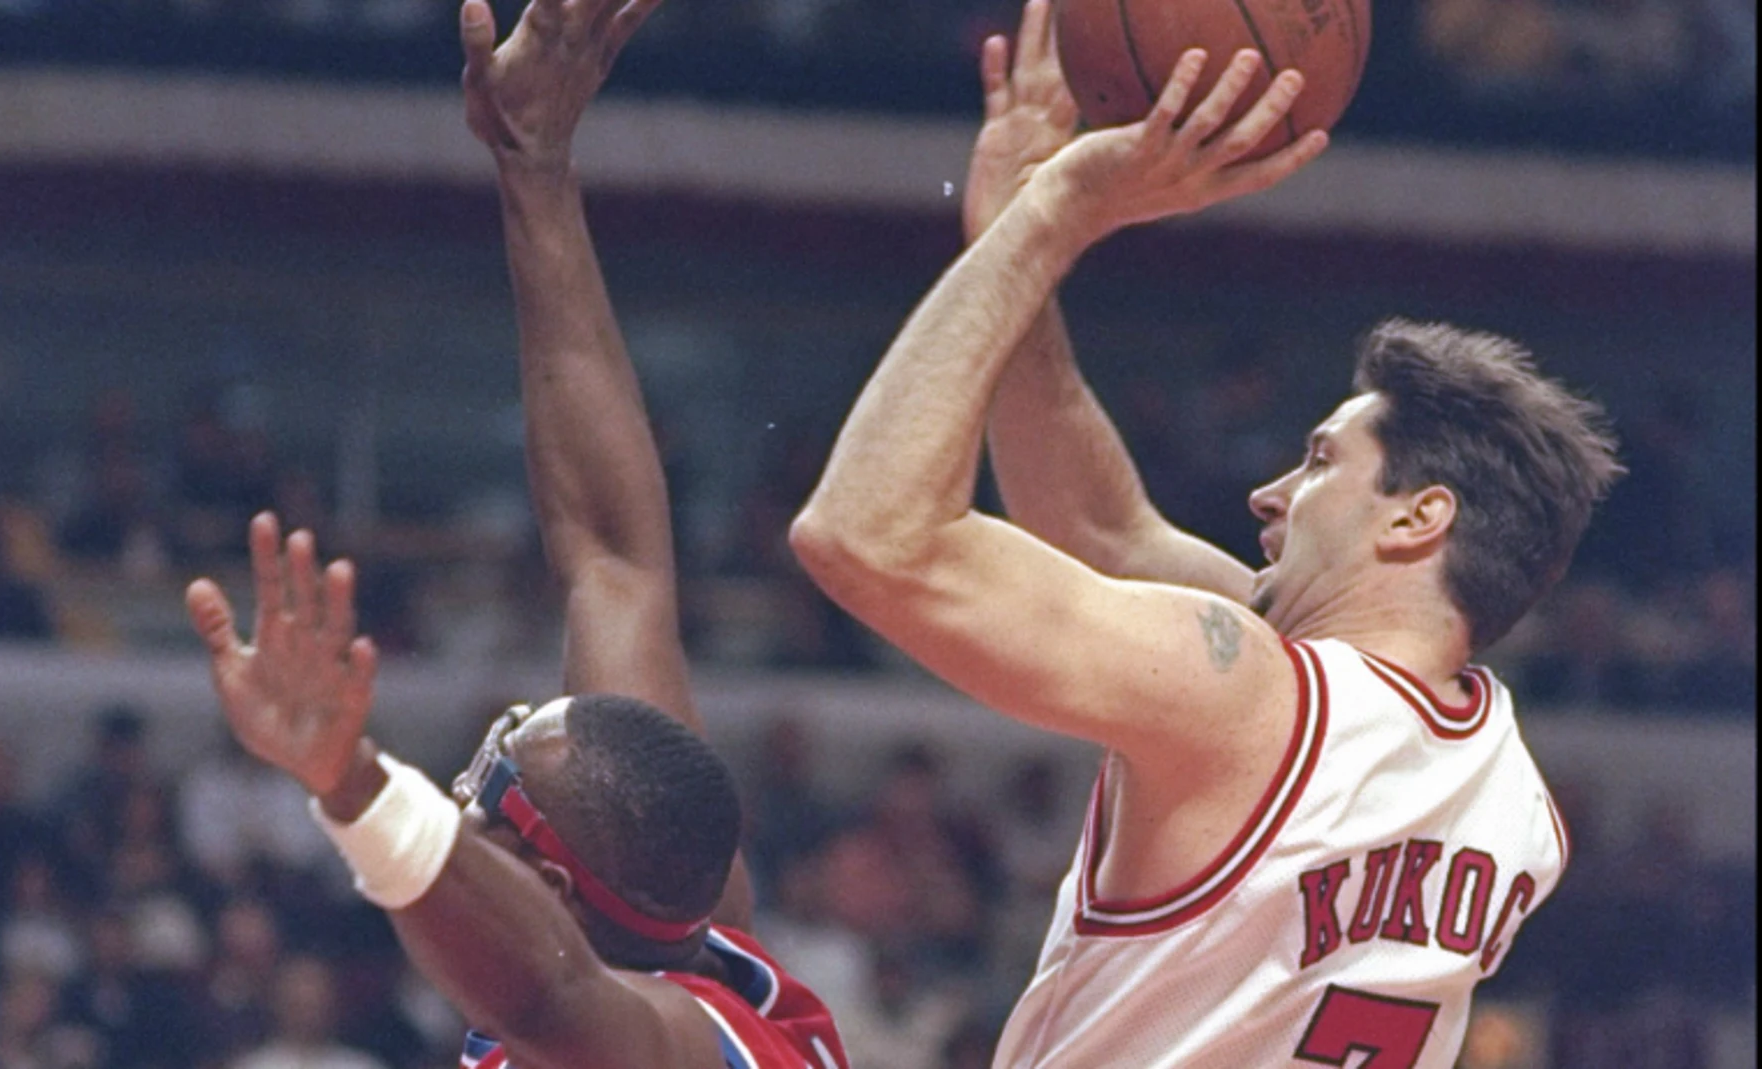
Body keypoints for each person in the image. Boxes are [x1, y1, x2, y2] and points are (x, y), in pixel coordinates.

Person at [789, 1, 1623, 1065]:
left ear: (1420, 516)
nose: (1270, 494)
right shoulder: (1515, 802)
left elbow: (865, 534)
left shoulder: (1249, 696)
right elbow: (1100, 526)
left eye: (1319, 461)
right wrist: (1012, 241)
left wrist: (1053, 217)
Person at [184, 2, 850, 1067]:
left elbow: (547, 993)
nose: (456, 799)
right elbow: (613, 556)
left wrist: (352, 783)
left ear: (549, 889)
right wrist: (535, 166)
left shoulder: (675, 1042)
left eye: (478, 799)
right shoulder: (697, 946)